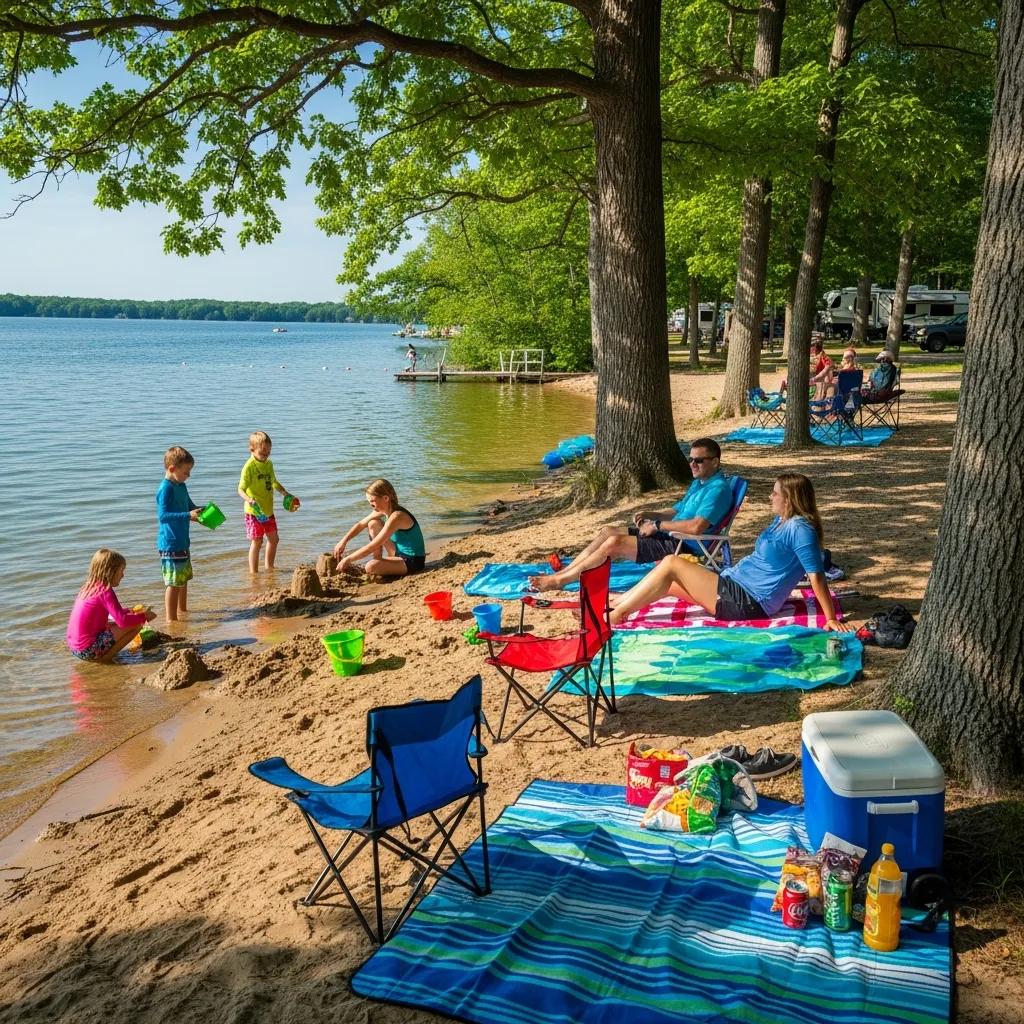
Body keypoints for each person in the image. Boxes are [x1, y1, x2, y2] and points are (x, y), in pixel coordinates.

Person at [608, 473, 851, 632]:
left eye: (775, 493)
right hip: (734, 585)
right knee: (666, 582)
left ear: (789, 499)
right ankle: (614, 605)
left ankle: (615, 615)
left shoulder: (800, 529)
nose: (770, 497)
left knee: (672, 563)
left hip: (748, 600)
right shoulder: (781, 521)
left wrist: (830, 618)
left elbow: (816, 576)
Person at [529, 438, 735, 593]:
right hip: (670, 534)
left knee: (614, 543)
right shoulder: (700, 483)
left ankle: (558, 582)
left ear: (715, 462)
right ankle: (563, 574)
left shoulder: (716, 490)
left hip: (683, 543)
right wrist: (649, 513)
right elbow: (676, 510)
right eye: (690, 459)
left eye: (699, 460)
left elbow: (696, 527)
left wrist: (656, 525)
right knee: (607, 531)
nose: (692, 464)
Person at [67, 549, 156, 661]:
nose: (123, 575)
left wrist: (130, 611)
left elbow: (113, 615)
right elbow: (122, 621)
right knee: (137, 624)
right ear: (111, 571)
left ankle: (102, 655)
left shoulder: (88, 588)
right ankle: (106, 658)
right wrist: (144, 617)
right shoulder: (105, 591)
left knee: (118, 622)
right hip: (88, 650)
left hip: (76, 648)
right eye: (121, 571)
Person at [333, 479, 426, 577]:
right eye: (369, 502)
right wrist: (343, 541)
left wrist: (348, 559)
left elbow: (372, 546)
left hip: (413, 561)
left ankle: (379, 564)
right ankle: (378, 560)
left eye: (373, 501)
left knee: (370, 567)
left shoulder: (397, 517)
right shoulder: (383, 510)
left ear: (385, 498)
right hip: (397, 552)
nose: (371, 505)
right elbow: (361, 524)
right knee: (373, 523)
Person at [238, 430, 300, 574]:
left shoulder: (268, 464)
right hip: (254, 512)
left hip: (268, 511)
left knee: (274, 539)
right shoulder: (249, 467)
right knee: (257, 541)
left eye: (269, 451)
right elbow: (240, 489)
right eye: (263, 451)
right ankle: (254, 573)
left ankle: (269, 567)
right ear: (252, 449)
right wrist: (249, 499)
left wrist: (285, 493)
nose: (266, 454)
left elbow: (273, 482)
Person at [157, 445, 200, 622]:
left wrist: (200, 511)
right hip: (170, 542)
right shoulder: (166, 488)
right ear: (172, 469)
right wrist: (188, 515)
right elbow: (163, 516)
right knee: (173, 583)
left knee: (183, 578)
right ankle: (171, 619)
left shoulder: (180, 485)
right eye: (186, 472)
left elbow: (189, 505)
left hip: (182, 540)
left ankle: (183, 611)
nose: (188, 476)